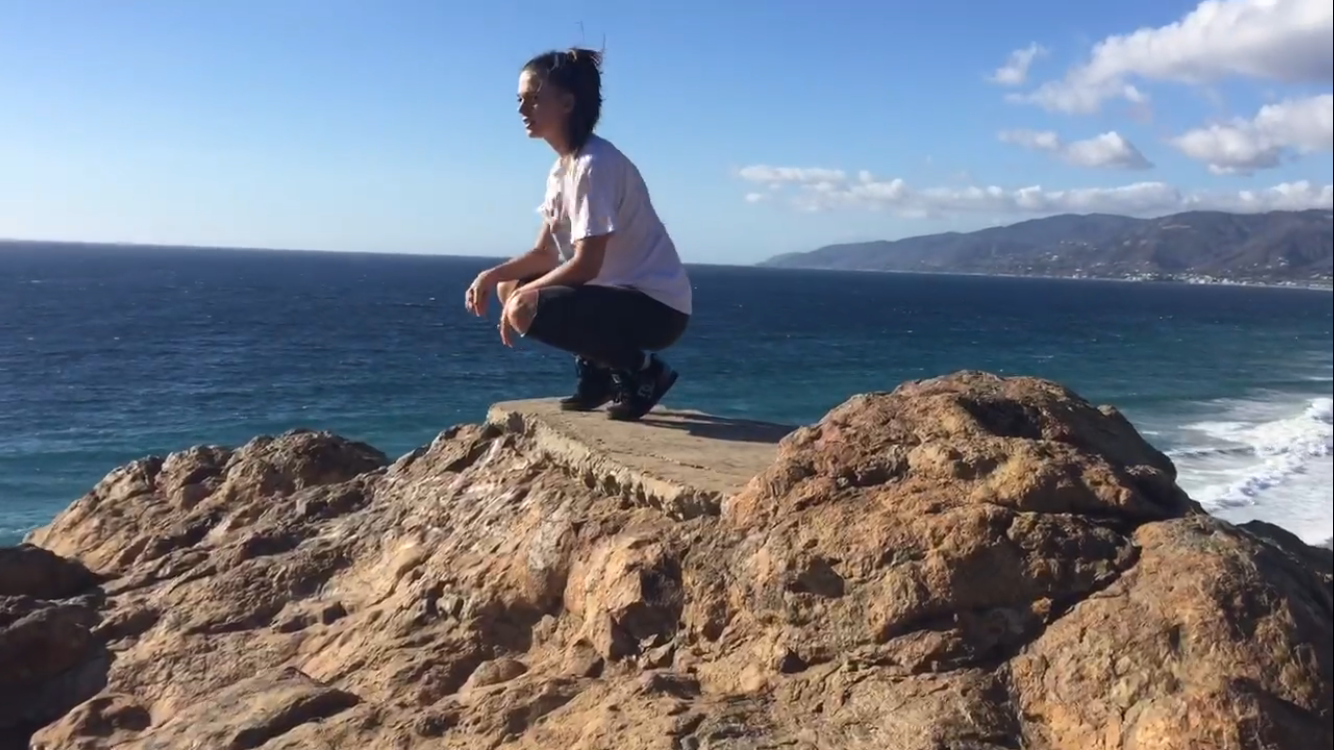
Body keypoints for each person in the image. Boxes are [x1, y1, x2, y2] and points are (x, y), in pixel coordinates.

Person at [464, 47, 693, 422]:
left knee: (522, 301)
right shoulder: (562, 170)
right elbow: (544, 254)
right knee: (511, 288)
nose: (522, 110)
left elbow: (586, 264)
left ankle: (642, 371)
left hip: (657, 308)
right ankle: (598, 373)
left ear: (568, 103)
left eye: (534, 99)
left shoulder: (594, 165)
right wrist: (492, 276)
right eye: (520, 100)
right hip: (615, 298)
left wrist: (523, 298)